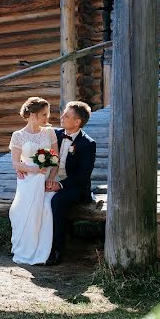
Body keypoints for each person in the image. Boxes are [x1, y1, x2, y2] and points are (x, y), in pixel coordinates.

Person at [44, 101, 96, 266]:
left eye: (66, 115)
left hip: (76, 187)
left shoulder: (87, 144)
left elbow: (83, 175)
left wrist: (60, 186)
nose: (62, 117)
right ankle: (37, 245)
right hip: (53, 180)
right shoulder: (55, 135)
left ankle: (57, 250)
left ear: (77, 122)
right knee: (36, 194)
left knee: (57, 201)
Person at [8, 97, 58, 265]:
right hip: (27, 179)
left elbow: (55, 159)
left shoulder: (49, 132)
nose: (47, 118)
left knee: (45, 207)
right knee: (20, 211)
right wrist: (31, 169)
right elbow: (15, 162)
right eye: (43, 114)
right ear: (32, 114)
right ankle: (25, 247)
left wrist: (50, 178)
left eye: (47, 114)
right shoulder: (18, 136)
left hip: (47, 177)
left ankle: (44, 250)